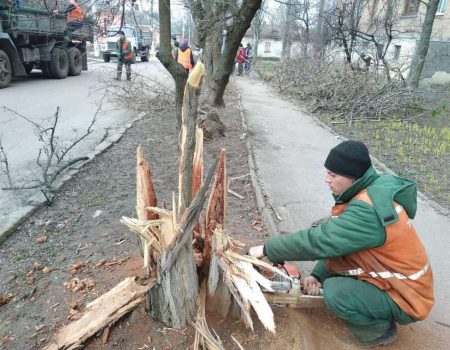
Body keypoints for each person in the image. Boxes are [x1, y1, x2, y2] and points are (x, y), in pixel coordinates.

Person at [249, 140, 434, 347]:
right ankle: (370, 305)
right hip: (399, 283)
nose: (326, 179)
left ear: (353, 178)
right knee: (330, 272)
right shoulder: (368, 191)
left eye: (333, 175)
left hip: (407, 297)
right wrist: (318, 275)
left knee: (336, 292)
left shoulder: (367, 211)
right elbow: (339, 242)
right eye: (327, 172)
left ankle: (378, 332)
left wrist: (266, 249)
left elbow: (320, 241)